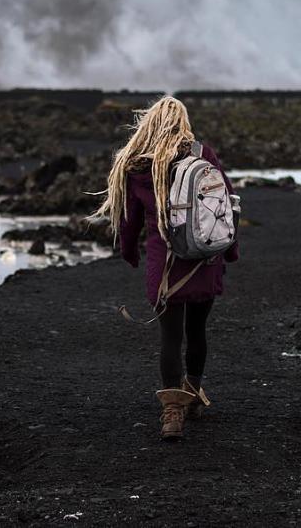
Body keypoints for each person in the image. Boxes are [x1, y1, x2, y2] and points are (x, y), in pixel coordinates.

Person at [92, 95, 239, 440]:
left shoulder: (137, 166)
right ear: (182, 122)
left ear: (149, 124)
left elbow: (128, 221)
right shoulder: (203, 155)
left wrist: (129, 253)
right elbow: (227, 206)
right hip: (204, 259)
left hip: (166, 268)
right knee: (197, 331)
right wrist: (230, 253)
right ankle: (194, 394)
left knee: (170, 337)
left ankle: (172, 413)